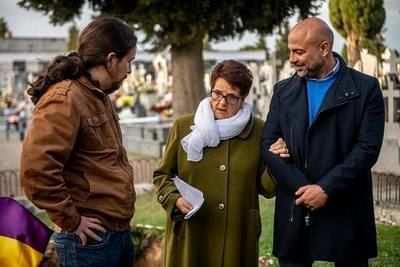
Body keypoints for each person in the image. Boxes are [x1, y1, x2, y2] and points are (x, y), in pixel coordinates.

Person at [260, 17, 385, 267]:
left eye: (299, 52)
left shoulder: (365, 89)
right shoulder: (283, 90)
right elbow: (268, 143)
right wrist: (306, 190)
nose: (292, 59)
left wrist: (326, 188)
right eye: (290, 51)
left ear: (324, 48)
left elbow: (367, 148)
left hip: (346, 206)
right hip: (296, 206)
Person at [20, 16, 137, 267]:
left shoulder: (96, 94)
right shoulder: (65, 98)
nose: (129, 70)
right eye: (129, 61)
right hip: (89, 242)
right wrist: (72, 220)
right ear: (111, 59)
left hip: (114, 235)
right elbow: (36, 172)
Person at [153, 60, 283, 267]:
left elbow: (266, 188)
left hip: (236, 235)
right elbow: (162, 175)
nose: (222, 102)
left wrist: (277, 162)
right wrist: (174, 199)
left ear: (243, 98)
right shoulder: (183, 126)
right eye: (217, 93)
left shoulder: (259, 131)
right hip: (191, 233)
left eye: (232, 97)